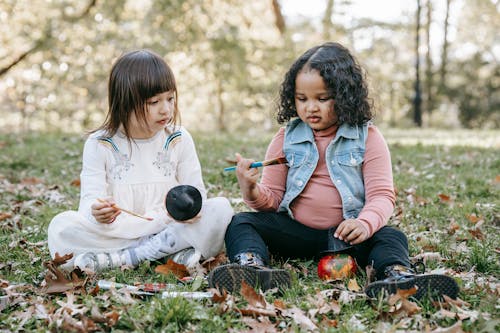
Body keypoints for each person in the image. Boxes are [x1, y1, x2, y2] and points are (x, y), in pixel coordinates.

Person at [208, 42, 459, 300]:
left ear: (344, 95)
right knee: (242, 221)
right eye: (302, 99)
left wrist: (364, 223)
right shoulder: (286, 138)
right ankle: (251, 268)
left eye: (322, 98)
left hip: (347, 238)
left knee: (391, 236)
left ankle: (398, 277)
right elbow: (271, 199)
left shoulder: (368, 138)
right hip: (297, 234)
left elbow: (382, 195)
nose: (310, 107)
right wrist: (250, 188)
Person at [47, 49, 233, 272]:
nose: (166, 109)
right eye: (154, 102)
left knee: (221, 209)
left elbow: (197, 195)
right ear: (126, 102)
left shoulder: (178, 138)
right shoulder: (100, 143)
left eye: (170, 98)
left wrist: (188, 210)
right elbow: (89, 204)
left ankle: (129, 258)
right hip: (119, 234)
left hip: (170, 228)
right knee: (60, 227)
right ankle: (166, 255)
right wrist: (98, 212)